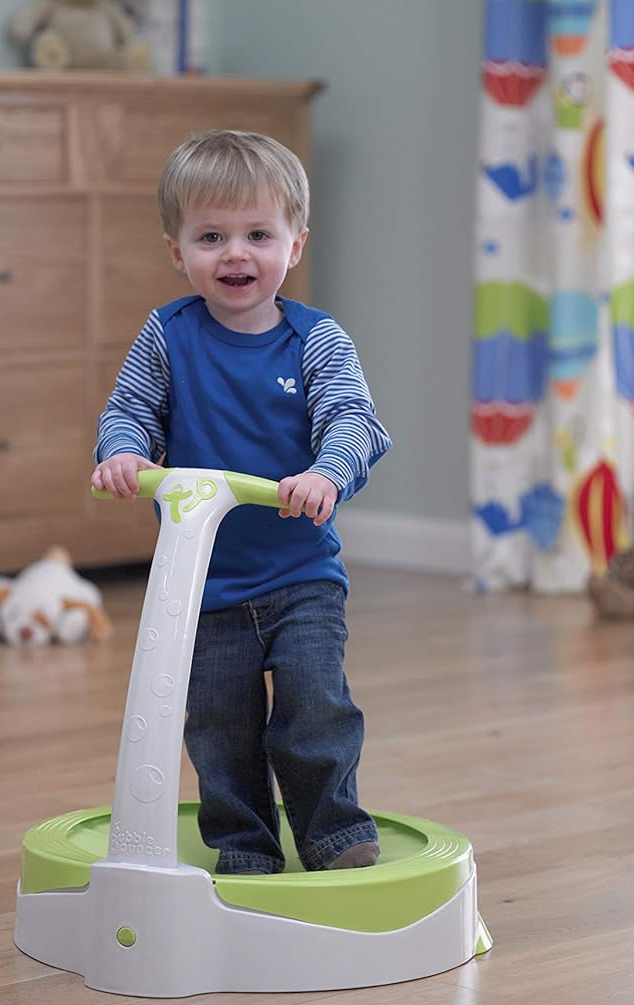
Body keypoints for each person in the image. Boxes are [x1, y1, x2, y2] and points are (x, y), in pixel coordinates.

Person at [92, 129, 391, 876]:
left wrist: (325, 474)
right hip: (201, 582)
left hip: (299, 574)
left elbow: (356, 421)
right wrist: (123, 453)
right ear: (177, 251)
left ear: (294, 246)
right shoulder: (167, 334)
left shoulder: (317, 341)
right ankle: (245, 843)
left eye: (258, 234)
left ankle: (330, 831)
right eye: (211, 236)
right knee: (218, 724)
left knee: (314, 705)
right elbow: (130, 407)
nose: (235, 254)